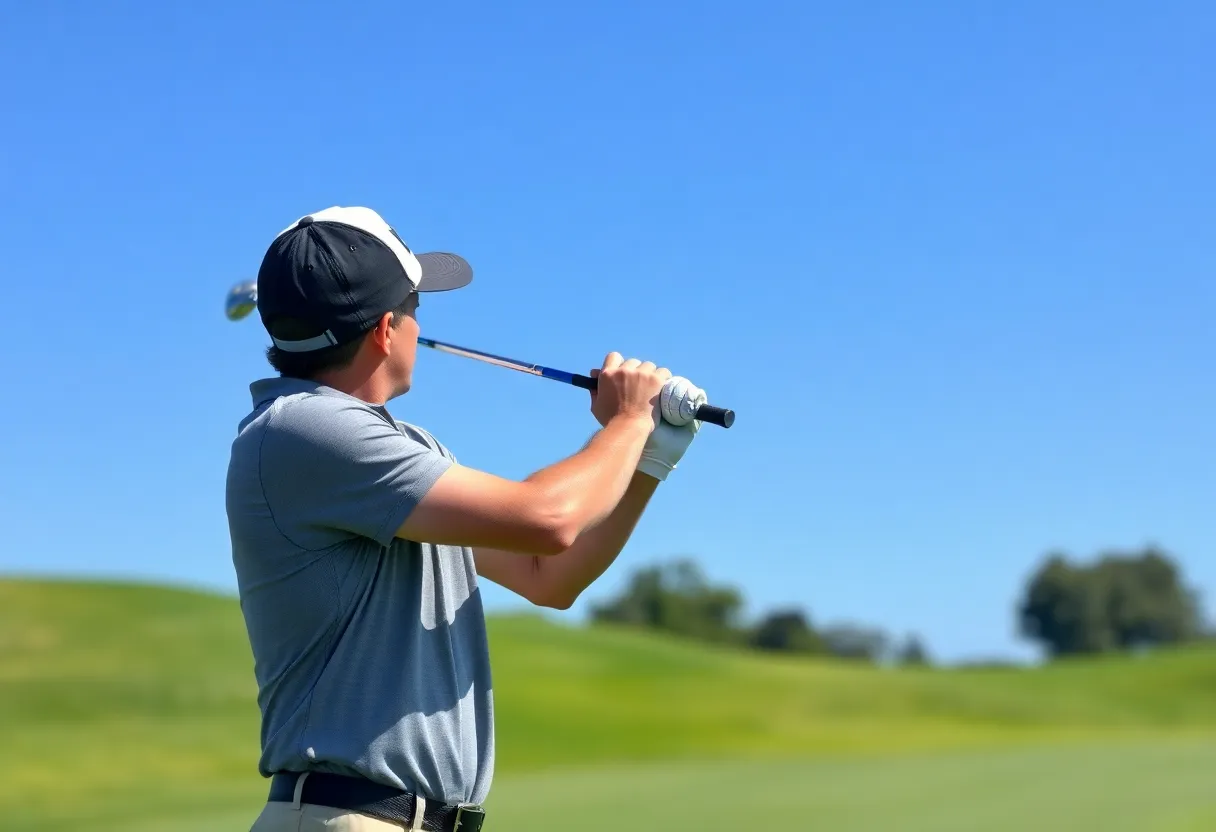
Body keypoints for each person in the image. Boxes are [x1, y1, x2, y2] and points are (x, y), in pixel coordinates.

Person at [225, 205, 704, 832]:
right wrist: (628, 421)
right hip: (349, 817)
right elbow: (548, 518)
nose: (422, 325)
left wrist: (647, 462)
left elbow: (548, 575)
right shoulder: (303, 430)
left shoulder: (396, 452)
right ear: (384, 330)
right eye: (417, 306)